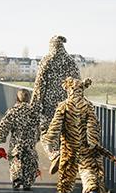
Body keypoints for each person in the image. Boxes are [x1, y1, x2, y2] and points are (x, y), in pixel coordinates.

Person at [43, 77, 106, 193]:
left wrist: (49, 141)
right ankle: (91, 191)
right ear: (81, 90)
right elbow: (92, 124)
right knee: (88, 169)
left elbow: (56, 125)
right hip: (86, 146)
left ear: (68, 90)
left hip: (69, 145)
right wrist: (92, 141)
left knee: (67, 168)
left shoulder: (64, 106)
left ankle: (65, 191)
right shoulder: (88, 106)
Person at [31, 36, 80, 172]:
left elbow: (39, 86)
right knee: (65, 135)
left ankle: (54, 155)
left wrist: (34, 106)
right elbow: (78, 84)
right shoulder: (71, 61)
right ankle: (67, 166)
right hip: (69, 105)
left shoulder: (47, 60)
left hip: (50, 106)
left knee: (47, 133)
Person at [0, 89, 40, 190]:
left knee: (15, 159)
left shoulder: (13, 111)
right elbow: (41, 126)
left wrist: (0, 137)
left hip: (17, 144)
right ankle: (28, 182)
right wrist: (38, 137)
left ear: (17, 98)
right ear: (29, 99)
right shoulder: (35, 111)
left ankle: (16, 178)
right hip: (30, 144)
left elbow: (4, 125)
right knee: (30, 162)